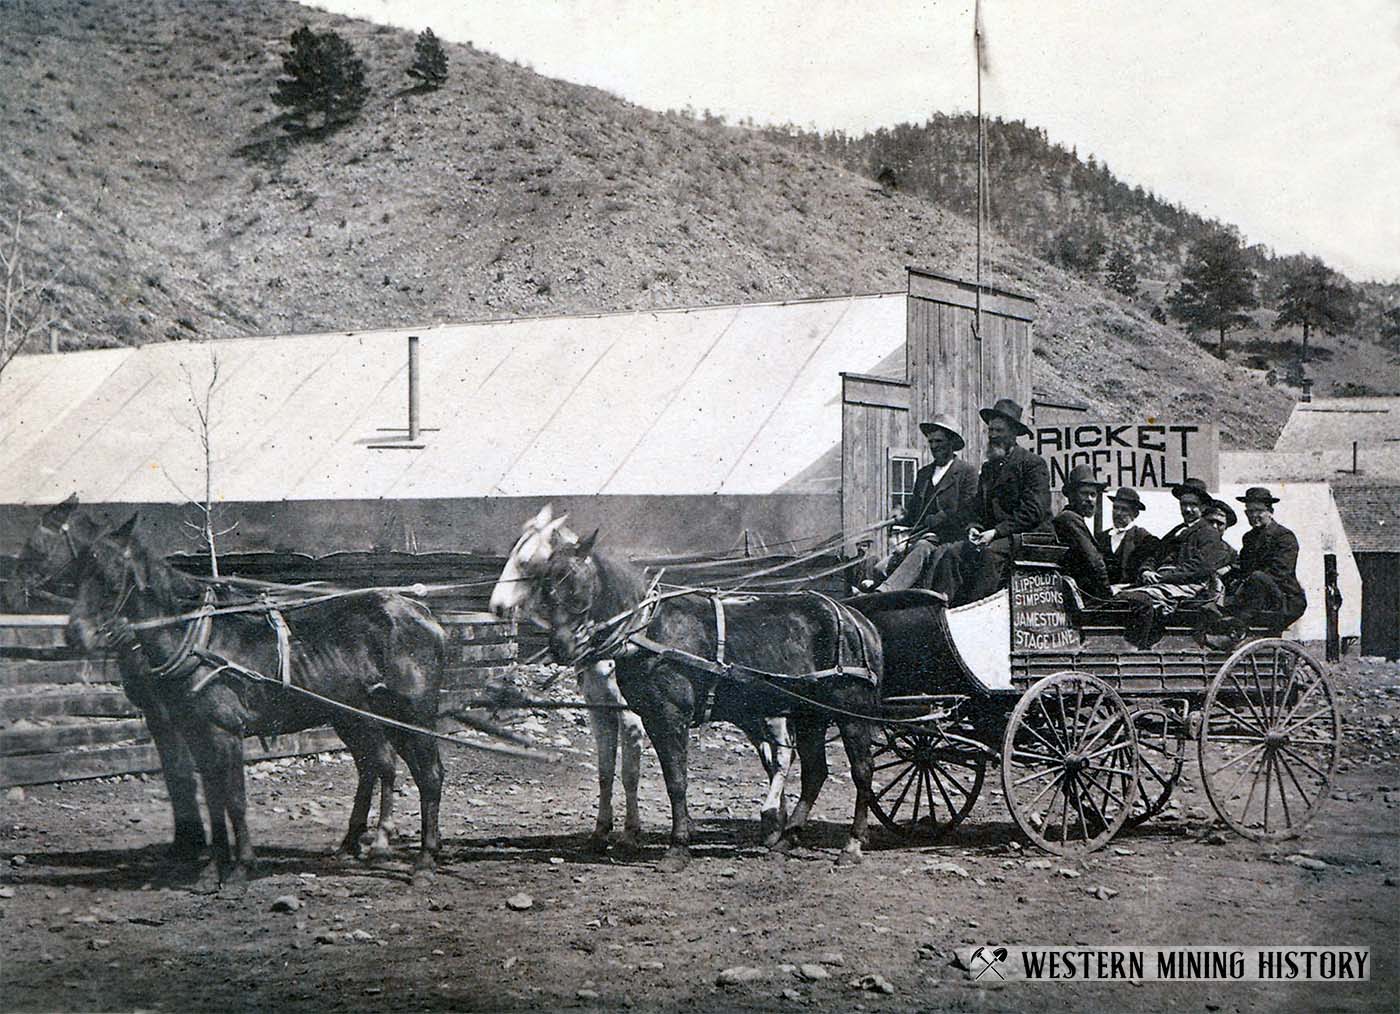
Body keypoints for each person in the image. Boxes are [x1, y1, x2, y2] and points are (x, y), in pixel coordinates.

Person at [928, 398, 1052, 605]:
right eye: (991, 430)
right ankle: (942, 609)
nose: (993, 435)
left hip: (1027, 536)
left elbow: (1033, 511)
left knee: (988, 555)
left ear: (1013, 434)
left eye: (999, 431)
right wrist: (974, 527)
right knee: (952, 553)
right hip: (993, 536)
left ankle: (975, 611)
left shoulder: (1032, 464)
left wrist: (995, 532)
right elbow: (977, 508)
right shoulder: (989, 468)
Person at [1113, 477, 1233, 648]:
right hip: (1165, 583)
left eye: (1193, 505)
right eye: (1184, 504)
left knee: (1139, 599)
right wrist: (1147, 570)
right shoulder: (1176, 531)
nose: (1188, 509)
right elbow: (1155, 554)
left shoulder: (1208, 533)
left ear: (1203, 507)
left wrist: (1162, 577)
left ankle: (1141, 647)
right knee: (1119, 594)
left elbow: (1198, 568)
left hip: (1188, 586)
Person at [867, 413, 979, 592]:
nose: (934, 446)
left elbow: (968, 511)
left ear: (951, 443)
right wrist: (900, 514)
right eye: (931, 442)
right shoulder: (924, 474)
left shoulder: (967, 472)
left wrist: (941, 518)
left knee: (921, 548)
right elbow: (913, 514)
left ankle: (886, 591)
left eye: (939, 441)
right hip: (921, 536)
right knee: (880, 568)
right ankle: (873, 589)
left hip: (949, 538)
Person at [1223, 486, 1307, 630]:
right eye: (1249, 511)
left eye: (1259, 511)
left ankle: (1238, 626)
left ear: (1270, 512)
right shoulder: (1249, 538)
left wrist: (1246, 583)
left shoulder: (1284, 537)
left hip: (1285, 598)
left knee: (1257, 577)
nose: (1253, 515)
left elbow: (1280, 571)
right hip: (1257, 593)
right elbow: (1244, 567)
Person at [1053, 464, 1111, 600]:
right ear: (1072, 495)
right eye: (1084, 493)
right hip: (1084, 597)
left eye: (1093, 494)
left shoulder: (1075, 519)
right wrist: (1109, 596)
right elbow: (1094, 562)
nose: (1090, 499)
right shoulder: (1068, 519)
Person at [1097, 487, 1158, 588]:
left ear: (1135, 514)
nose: (1118, 513)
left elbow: (1148, 564)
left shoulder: (1143, 538)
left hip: (1129, 592)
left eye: (1124, 509)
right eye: (1115, 508)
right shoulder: (1101, 538)